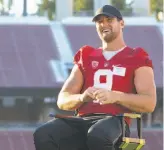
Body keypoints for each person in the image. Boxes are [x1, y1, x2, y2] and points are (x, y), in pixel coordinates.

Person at [33, 5, 156, 150]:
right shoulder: (86, 55)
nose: (104, 24)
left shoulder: (136, 56)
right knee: (44, 134)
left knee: (98, 135)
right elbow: (63, 99)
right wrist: (82, 97)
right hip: (83, 120)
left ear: (121, 23)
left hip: (115, 121)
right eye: (99, 21)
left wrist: (115, 96)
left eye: (109, 20)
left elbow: (149, 102)